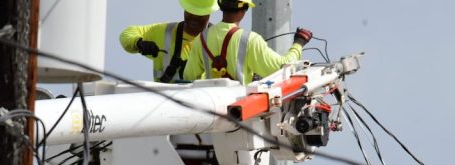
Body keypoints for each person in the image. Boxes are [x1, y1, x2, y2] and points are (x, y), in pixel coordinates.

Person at [183, 0, 313, 85]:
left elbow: (189, 76)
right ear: (243, 10)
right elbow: (283, 67)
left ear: (221, 6)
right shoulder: (250, 40)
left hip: (212, 108)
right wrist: (299, 43)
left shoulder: (202, 38)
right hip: (239, 111)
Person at [119, 0, 219, 83]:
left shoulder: (219, 40)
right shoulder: (165, 32)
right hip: (166, 101)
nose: (194, 18)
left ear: (209, 14)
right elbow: (127, 33)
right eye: (191, 12)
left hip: (204, 103)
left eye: (200, 15)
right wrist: (139, 43)